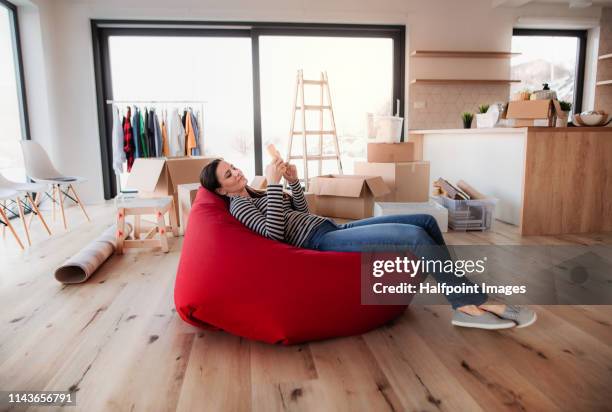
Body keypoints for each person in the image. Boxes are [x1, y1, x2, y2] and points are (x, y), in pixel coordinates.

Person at [200, 158, 536, 330]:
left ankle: (467, 297)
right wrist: (274, 186)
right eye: (229, 175)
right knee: (416, 238)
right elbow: (272, 235)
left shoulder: (256, 192)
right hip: (322, 241)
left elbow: (302, 211)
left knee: (425, 221)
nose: (238, 174)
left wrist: (292, 183)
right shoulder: (239, 206)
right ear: (220, 190)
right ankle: (467, 305)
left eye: (235, 168)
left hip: (329, 226)